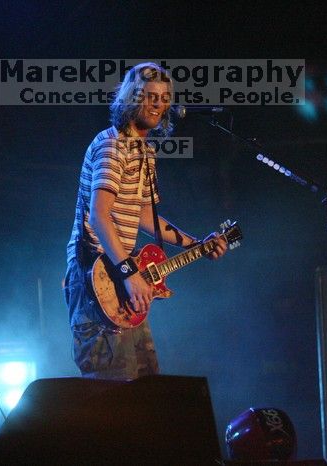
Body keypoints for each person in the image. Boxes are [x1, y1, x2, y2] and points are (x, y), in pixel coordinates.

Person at [65, 62, 228, 381]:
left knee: (146, 383)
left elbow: (143, 215)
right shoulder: (113, 146)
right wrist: (129, 273)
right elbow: (99, 215)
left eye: (164, 97)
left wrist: (197, 244)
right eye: (150, 96)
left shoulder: (143, 152)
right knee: (114, 388)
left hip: (121, 277)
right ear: (131, 99)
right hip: (96, 277)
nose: (158, 104)